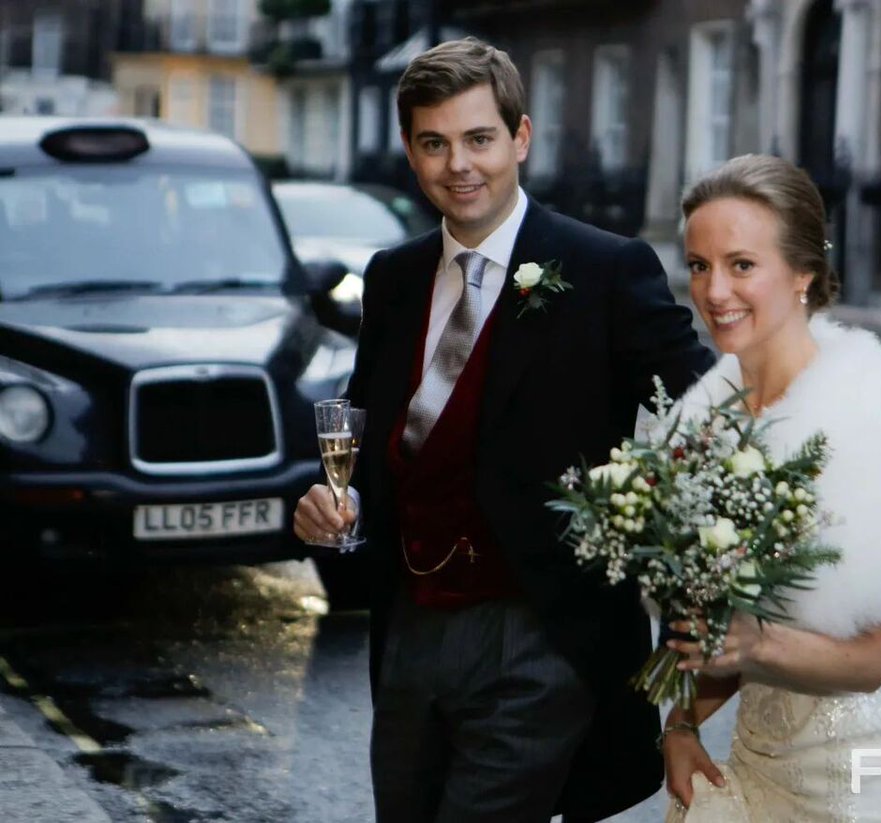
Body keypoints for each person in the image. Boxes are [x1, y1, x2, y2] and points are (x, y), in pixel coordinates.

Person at [291, 37, 713, 823]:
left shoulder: (607, 270)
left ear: (520, 139)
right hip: (410, 627)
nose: (460, 164)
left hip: (543, 638)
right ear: (412, 154)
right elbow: (363, 443)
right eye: (434, 143)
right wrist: (328, 503)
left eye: (479, 138)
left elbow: (711, 408)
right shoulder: (393, 279)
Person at [660, 154, 881, 822]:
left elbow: (870, 658)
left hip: (852, 775)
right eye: (700, 265)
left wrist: (756, 642)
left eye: (741, 264)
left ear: (803, 273)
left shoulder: (864, 413)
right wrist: (679, 725)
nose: (713, 291)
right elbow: (714, 629)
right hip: (755, 758)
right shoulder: (709, 416)